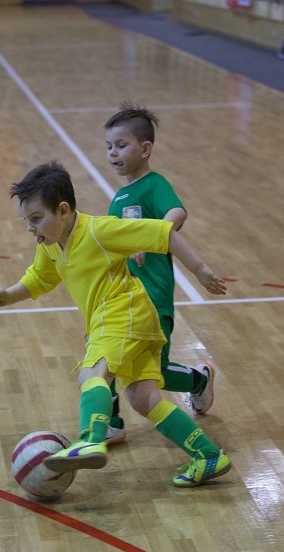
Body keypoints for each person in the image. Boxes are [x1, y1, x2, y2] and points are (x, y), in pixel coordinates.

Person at [0, 161, 231, 487]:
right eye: (26, 221)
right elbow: (38, 281)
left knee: (92, 371)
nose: (31, 228)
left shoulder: (100, 230)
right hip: (131, 322)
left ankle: (91, 437)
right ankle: (208, 455)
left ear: (62, 210)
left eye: (36, 219)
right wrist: (6, 296)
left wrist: (199, 270)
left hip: (122, 314)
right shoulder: (51, 246)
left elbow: (164, 232)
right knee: (144, 400)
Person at [103, 103, 216, 446]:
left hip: (155, 297)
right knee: (101, 354)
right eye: (108, 146)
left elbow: (177, 212)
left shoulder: (154, 185)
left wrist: (151, 238)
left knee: (156, 373)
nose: (112, 153)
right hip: (126, 300)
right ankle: (112, 423)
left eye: (121, 145)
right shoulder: (118, 198)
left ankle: (198, 379)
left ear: (145, 149)